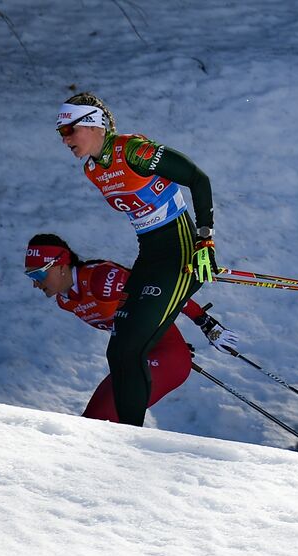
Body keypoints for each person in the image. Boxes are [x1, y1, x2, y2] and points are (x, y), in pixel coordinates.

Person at [57, 92, 219, 426]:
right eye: (61, 133)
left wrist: (205, 240)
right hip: (150, 258)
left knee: (130, 350)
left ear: (93, 123)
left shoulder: (133, 151)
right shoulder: (93, 170)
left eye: (69, 130)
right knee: (118, 353)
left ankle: (131, 439)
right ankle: (130, 438)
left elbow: (198, 179)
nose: (65, 139)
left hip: (181, 256)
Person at [25, 233, 237, 422]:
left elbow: (160, 290)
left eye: (38, 275)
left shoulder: (101, 279)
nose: (35, 283)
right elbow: (128, 324)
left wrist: (204, 322)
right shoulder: (65, 301)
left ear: (61, 266)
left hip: (166, 356)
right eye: (31, 276)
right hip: (138, 354)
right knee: (90, 421)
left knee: (103, 420)